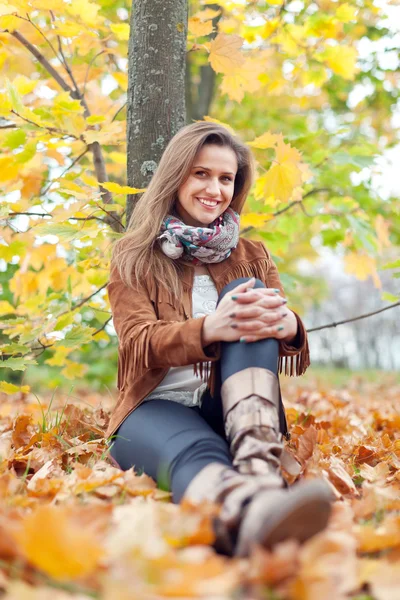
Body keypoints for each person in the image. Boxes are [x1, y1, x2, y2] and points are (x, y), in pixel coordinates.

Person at [106, 121, 333, 557]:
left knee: (246, 296)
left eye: (226, 178)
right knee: (196, 451)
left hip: (241, 409)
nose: (215, 188)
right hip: (155, 408)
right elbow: (136, 342)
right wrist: (209, 329)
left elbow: (277, 329)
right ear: (177, 176)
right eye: (201, 174)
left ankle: (258, 473)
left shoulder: (253, 255)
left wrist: (289, 325)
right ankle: (252, 512)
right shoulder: (134, 255)